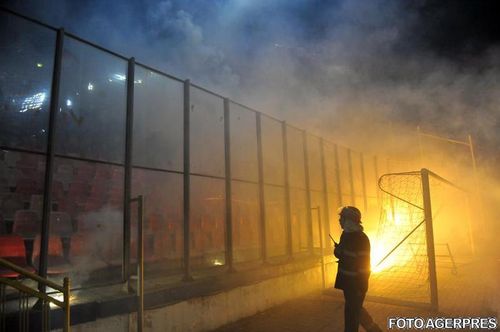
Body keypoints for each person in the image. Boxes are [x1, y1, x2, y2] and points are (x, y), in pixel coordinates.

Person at [334, 206, 382, 332]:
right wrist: (338, 250)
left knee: (354, 314)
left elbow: (364, 266)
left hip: (355, 285)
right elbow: (344, 254)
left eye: (342, 218)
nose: (339, 221)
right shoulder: (345, 235)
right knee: (353, 312)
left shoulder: (362, 239)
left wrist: (361, 288)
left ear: (349, 221)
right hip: (347, 283)